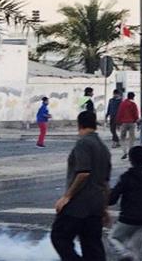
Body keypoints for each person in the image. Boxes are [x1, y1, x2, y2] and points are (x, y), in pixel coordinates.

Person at [51, 111, 112, 261]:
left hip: (79, 204)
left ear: (80, 125)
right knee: (92, 246)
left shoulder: (83, 143)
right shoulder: (103, 148)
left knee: (60, 237)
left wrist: (67, 197)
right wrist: (104, 208)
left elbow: (83, 173)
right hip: (96, 204)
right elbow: (105, 182)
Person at [116, 92, 140, 160]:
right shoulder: (133, 104)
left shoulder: (123, 103)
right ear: (132, 97)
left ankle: (124, 152)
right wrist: (137, 123)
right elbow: (136, 114)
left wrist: (118, 123)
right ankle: (130, 153)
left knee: (122, 138)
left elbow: (119, 113)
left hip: (124, 123)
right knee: (131, 139)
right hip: (132, 123)